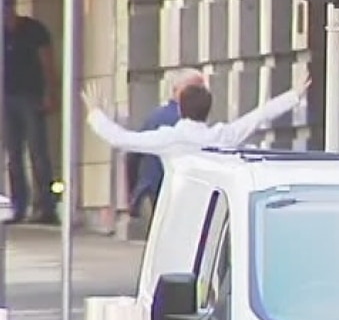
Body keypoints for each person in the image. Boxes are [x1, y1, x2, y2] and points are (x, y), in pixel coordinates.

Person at [81, 72, 311, 157]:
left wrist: (95, 114)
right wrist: (294, 94)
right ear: (209, 109)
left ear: (179, 108)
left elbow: (121, 139)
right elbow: (259, 116)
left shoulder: (169, 138)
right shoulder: (223, 136)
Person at [3, 0, 60, 224]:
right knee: (13, 155)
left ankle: (46, 206)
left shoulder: (33, 30)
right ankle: (19, 206)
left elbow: (47, 63)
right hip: (7, 98)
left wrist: (50, 93)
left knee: (38, 153)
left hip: (31, 97)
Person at [125, 68, 207, 216]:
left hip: (150, 194)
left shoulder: (154, 117)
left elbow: (132, 156)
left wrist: (133, 195)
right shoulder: (188, 123)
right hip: (175, 198)